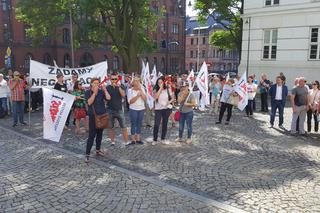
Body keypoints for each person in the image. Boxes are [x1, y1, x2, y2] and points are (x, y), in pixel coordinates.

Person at [84, 78, 111, 163]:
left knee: (100, 134)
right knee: (91, 136)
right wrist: (94, 94)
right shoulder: (87, 92)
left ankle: (98, 150)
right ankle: (87, 154)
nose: (96, 85)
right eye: (94, 83)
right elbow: (89, 102)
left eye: (97, 83)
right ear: (91, 84)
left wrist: (105, 90)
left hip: (102, 116)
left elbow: (108, 98)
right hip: (93, 117)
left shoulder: (101, 91)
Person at [107, 72, 130, 147]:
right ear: (110, 79)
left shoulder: (121, 86)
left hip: (119, 109)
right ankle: (112, 142)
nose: (114, 80)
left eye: (115, 79)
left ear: (118, 79)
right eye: (112, 79)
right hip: (110, 110)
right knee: (111, 127)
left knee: (123, 126)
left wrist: (118, 87)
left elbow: (123, 95)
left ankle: (126, 142)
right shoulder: (108, 87)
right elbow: (106, 98)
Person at [153, 76, 174, 145]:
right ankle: (155, 139)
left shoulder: (168, 88)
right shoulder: (155, 89)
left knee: (165, 124)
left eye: (161, 82)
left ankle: (163, 138)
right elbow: (155, 97)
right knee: (156, 124)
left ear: (163, 82)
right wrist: (160, 88)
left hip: (166, 109)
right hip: (158, 109)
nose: (160, 84)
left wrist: (169, 101)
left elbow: (173, 98)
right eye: (158, 83)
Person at [127, 77, 146, 145]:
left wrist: (141, 91)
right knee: (133, 124)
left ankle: (138, 138)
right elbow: (130, 102)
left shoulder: (142, 89)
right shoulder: (130, 90)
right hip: (133, 109)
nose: (137, 83)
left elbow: (145, 99)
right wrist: (137, 96)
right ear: (133, 83)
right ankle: (133, 139)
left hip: (141, 109)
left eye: (138, 81)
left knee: (139, 124)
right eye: (136, 81)